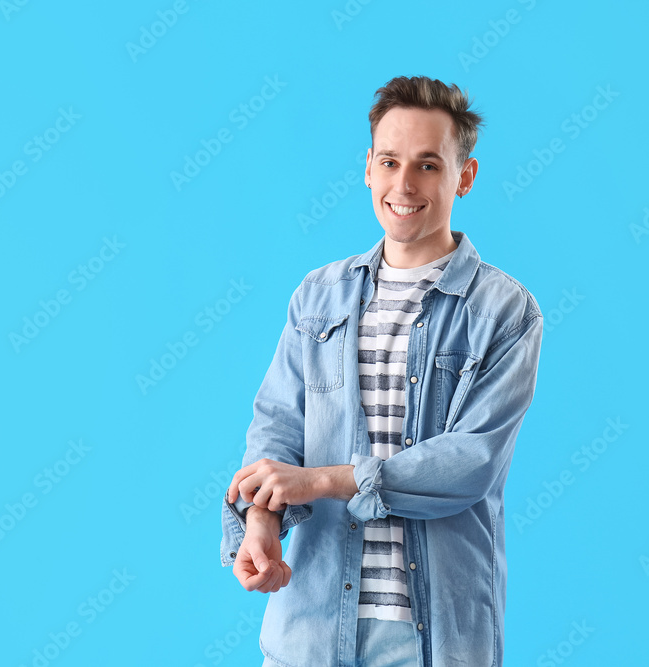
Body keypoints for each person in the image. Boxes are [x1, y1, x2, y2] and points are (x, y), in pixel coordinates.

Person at [220, 75, 543, 667]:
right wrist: (261, 522)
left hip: (434, 638)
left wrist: (324, 480)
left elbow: (471, 463)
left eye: (427, 165)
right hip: (311, 629)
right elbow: (275, 430)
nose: (404, 184)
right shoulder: (318, 296)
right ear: (368, 167)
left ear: (464, 176)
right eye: (390, 161)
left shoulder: (503, 311)